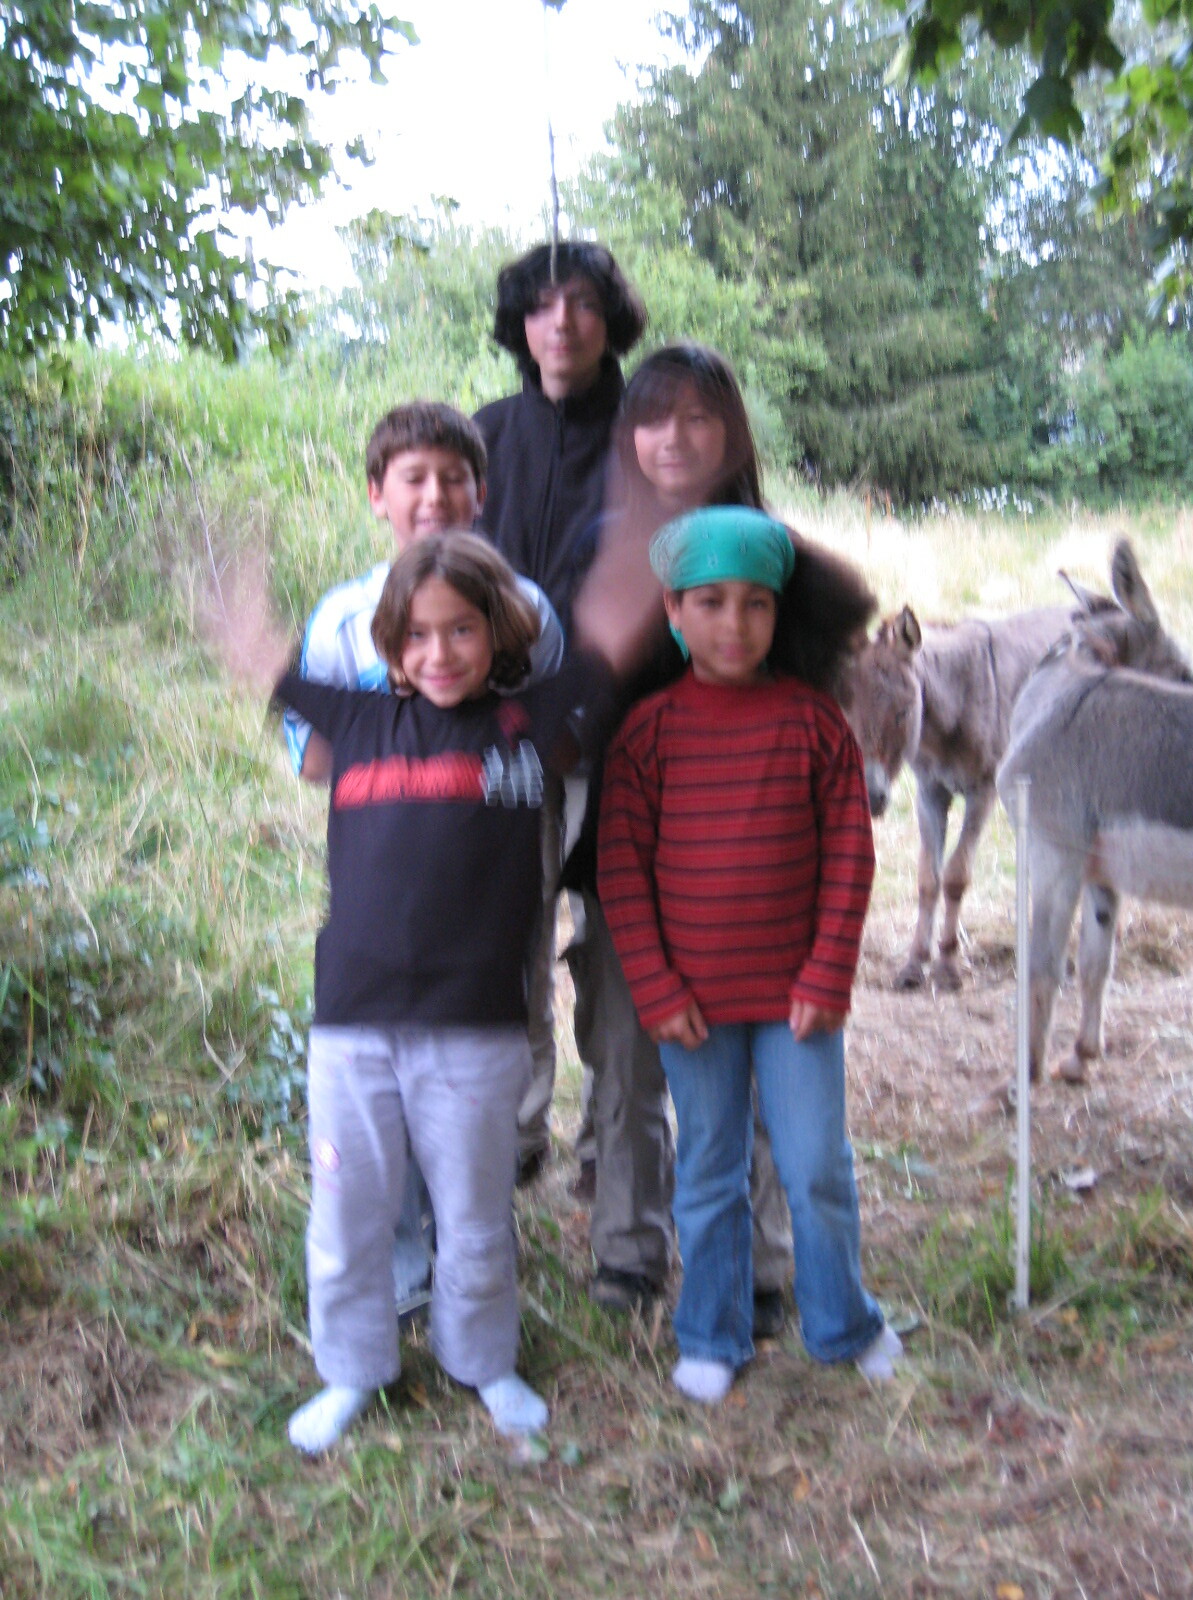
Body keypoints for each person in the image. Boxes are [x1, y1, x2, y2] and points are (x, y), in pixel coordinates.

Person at [213, 532, 603, 1453]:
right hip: (352, 1028)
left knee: (475, 1215)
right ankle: (351, 1369)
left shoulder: (528, 725)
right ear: (388, 643)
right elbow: (265, 664)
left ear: (499, 632)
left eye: (462, 629)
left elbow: (609, 647)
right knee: (349, 1212)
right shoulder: (353, 721)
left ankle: (483, 1360)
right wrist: (239, 614)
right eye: (417, 635)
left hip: (476, 1033)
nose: (439, 652)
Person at [569, 344, 876, 1324]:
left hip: (761, 874)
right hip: (628, 856)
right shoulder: (594, 549)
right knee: (627, 1054)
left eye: (700, 416)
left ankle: (769, 1264)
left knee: (771, 1086)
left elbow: (833, 684)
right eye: (654, 418)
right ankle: (630, 1251)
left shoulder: (779, 558)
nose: (676, 438)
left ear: (734, 434)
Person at [597, 506, 902, 1404]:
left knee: (815, 1169)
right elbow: (622, 869)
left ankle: (842, 1322)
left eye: (756, 604)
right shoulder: (648, 733)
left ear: (779, 613)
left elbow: (850, 856)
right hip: (691, 1008)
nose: (735, 623)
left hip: (797, 1002)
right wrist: (654, 988)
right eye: (711, 601)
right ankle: (711, 1331)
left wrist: (829, 973)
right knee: (708, 1170)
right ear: (674, 611)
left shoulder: (814, 724)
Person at [283, 402, 564, 1320]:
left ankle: (471, 1250)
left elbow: (542, 733)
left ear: (482, 492)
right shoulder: (341, 618)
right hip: (385, 882)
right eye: (413, 479)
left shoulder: (528, 609)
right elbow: (314, 756)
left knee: (498, 1036)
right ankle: (400, 1267)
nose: (434, 497)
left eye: (453, 478)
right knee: (377, 1063)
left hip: (494, 878)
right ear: (378, 494)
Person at [473, 240, 647, 1188]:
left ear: (609, 317)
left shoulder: (652, 428)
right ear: (520, 326)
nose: (562, 323)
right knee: (508, 943)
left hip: (625, 738)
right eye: (541, 305)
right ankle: (514, 1141)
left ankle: (615, 1156)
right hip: (506, 735)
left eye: (581, 301)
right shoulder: (487, 435)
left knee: (618, 955)